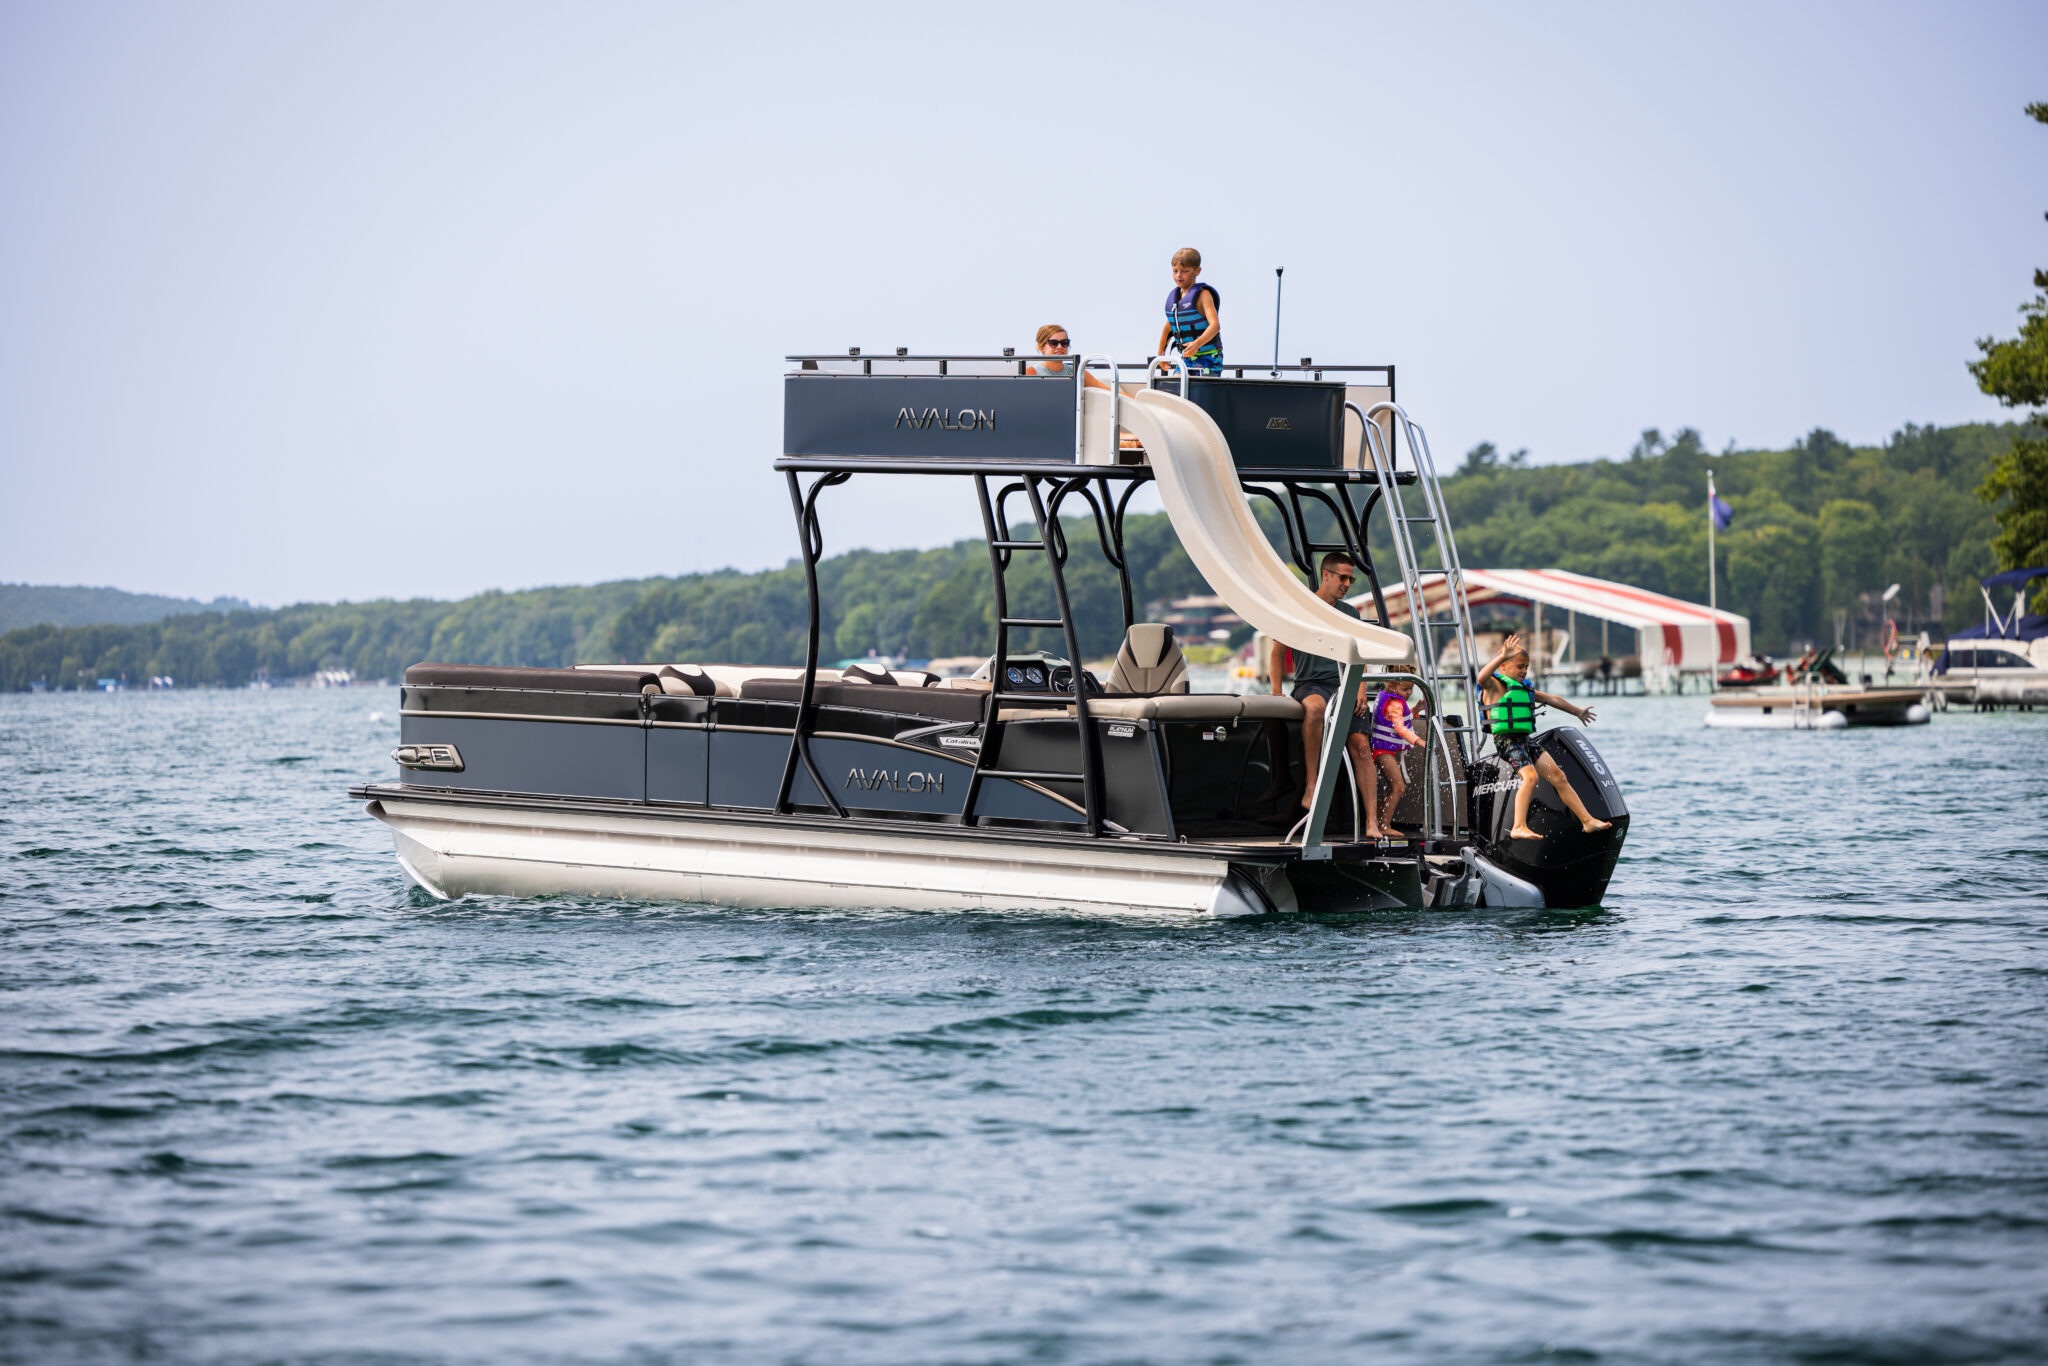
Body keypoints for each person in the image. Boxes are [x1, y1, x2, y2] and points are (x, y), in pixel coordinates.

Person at [1474, 632, 1612, 841]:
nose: (1524, 671)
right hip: (1507, 741)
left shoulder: (1524, 688)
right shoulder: (1495, 685)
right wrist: (1501, 655)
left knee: (1559, 776)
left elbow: (1552, 698)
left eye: (1526, 667)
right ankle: (1518, 826)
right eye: (1519, 666)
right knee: (1530, 777)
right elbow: (1481, 677)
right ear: (1503, 667)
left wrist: (1578, 712)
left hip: (1525, 740)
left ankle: (1587, 820)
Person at [1269, 552, 1371, 812]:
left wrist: (1361, 687)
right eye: (1343, 578)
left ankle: (1373, 821)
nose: (1347, 584)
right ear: (1326, 575)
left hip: (1345, 684)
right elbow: (1277, 652)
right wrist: (1276, 692)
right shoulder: (1299, 610)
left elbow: (1359, 656)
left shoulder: (1350, 613)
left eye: (1351, 579)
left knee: (1360, 746)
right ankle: (1312, 784)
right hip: (1311, 684)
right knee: (1315, 709)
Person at [1364, 677, 1425, 841]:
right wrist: (1419, 741)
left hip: (1381, 749)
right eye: (1405, 689)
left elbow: (1399, 718)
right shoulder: (1395, 703)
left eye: (1411, 688)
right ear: (1392, 685)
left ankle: (1380, 822)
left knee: (1395, 787)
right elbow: (1398, 727)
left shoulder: (1392, 701)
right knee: (1398, 787)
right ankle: (1384, 825)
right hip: (1381, 751)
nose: (1409, 692)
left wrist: (1416, 709)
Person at [1155, 248, 1222, 375]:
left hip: (1208, 358)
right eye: (1175, 271)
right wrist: (1161, 355)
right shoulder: (1176, 299)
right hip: (1185, 359)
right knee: (1176, 384)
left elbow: (1215, 326)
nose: (1179, 275)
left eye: (1184, 271)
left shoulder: (1203, 295)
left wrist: (1197, 344)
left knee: (1189, 386)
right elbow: (1168, 329)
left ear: (1197, 271)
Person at [1028, 324, 1110, 389]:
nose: (1059, 346)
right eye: (1053, 343)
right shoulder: (1031, 373)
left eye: (1064, 343)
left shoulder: (1078, 372)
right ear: (1042, 348)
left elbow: (1107, 391)